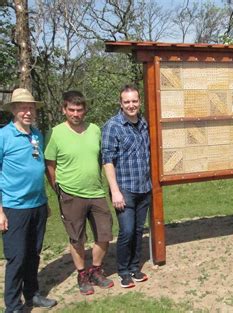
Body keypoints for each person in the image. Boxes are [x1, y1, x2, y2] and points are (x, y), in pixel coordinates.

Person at [44, 91, 114, 295]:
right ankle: (82, 273)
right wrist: (58, 188)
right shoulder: (55, 133)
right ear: (64, 109)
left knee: (104, 233)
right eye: (71, 110)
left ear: (85, 110)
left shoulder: (94, 130)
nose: (76, 113)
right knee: (77, 238)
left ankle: (96, 270)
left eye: (79, 109)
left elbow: (103, 156)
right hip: (70, 194)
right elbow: (50, 165)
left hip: (96, 192)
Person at [0, 88, 57, 312]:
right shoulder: (3, 136)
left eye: (31, 107)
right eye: (23, 107)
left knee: (33, 254)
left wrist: (45, 202)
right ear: (14, 110)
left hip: (38, 205)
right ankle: (12, 305)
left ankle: (32, 294)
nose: (27, 111)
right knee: (17, 257)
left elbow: (37, 168)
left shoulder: (36, 135)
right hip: (14, 207)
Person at [101, 85, 151, 288]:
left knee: (139, 230)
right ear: (121, 103)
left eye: (134, 101)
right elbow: (107, 159)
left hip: (144, 187)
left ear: (139, 101)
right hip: (124, 189)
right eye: (127, 102)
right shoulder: (112, 126)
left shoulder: (144, 123)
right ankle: (123, 271)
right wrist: (115, 191)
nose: (131, 105)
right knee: (127, 231)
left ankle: (134, 267)